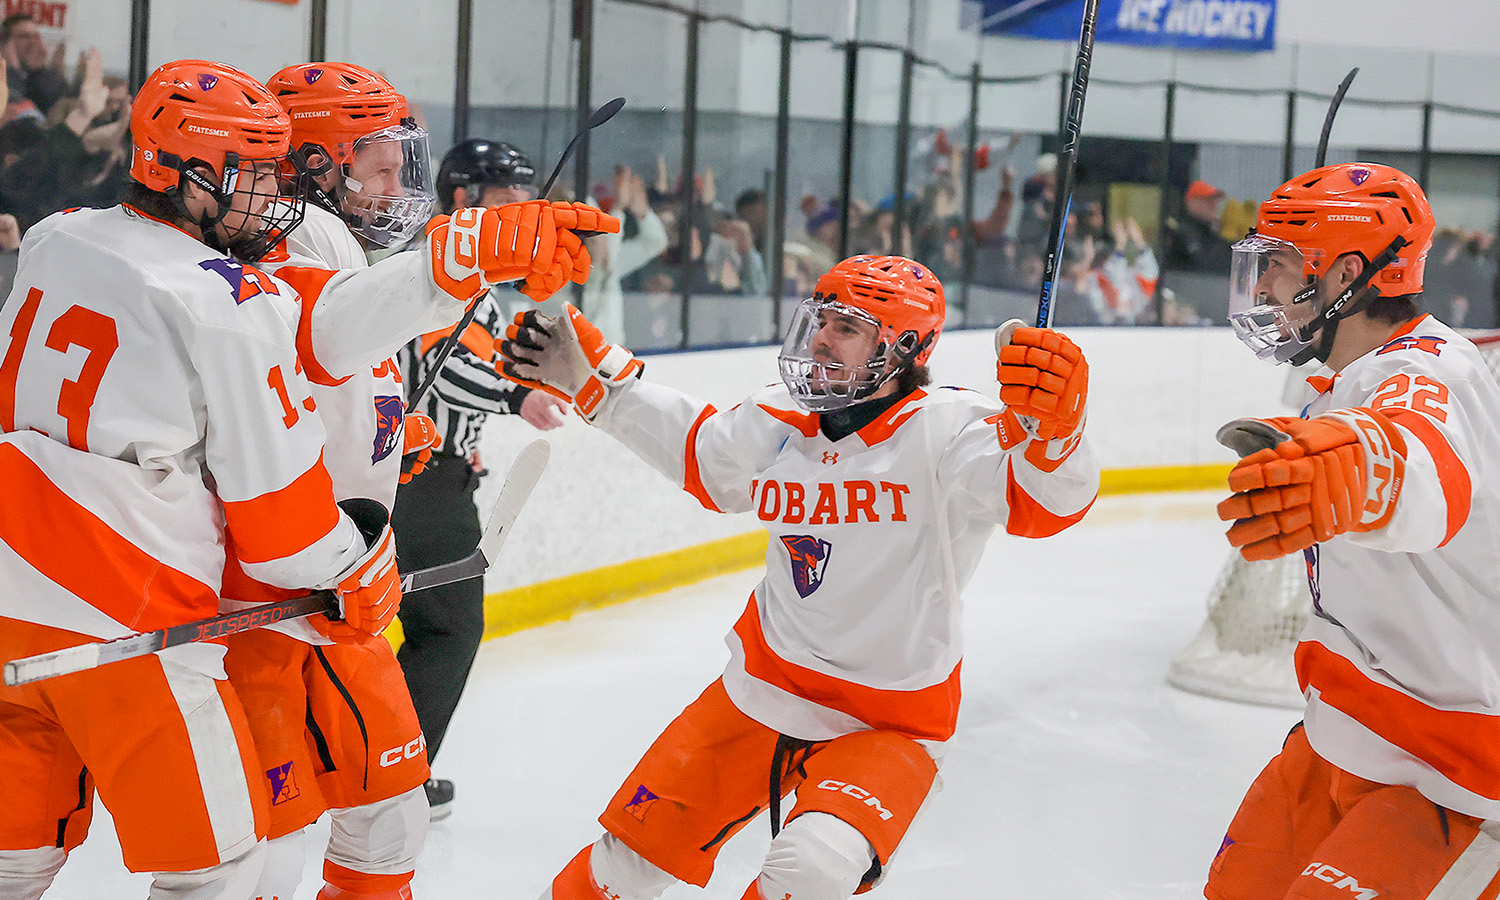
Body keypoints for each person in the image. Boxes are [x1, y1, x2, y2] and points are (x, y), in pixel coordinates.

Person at [498, 253, 1100, 900]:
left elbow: (1042, 505)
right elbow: (702, 456)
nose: (820, 337)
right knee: (620, 866)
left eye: (846, 327)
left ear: (901, 346)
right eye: (820, 319)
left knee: (810, 872)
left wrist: (1057, 434)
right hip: (763, 685)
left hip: (890, 721)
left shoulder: (952, 431)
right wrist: (597, 386)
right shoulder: (779, 417)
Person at [0, 59, 405, 900]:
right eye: (252, 171)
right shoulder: (230, 299)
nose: (272, 192)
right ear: (188, 177)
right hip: (125, 619)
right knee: (218, 869)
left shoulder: (58, 234)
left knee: (15, 857)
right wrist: (359, 570)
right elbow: (285, 531)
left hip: (9, 596)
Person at [1210, 162, 1500, 898]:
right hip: (1339, 739)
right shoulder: (1347, 384)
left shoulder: (1430, 374)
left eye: (1278, 264)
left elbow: (1424, 469)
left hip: (1452, 777)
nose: (1264, 286)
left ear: (1347, 272)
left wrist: (1362, 473)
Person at [393, 136, 585, 820]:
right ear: (465, 198)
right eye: (508, 200)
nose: (524, 213)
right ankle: (392, 780)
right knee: (447, 629)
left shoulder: (467, 275)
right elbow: (438, 361)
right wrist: (514, 396)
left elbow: (479, 358)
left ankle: (369, 769)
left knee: (412, 629)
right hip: (419, 486)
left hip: (431, 478)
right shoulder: (438, 269)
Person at [1163, 179, 1233, 274]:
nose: (1214, 205)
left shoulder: (1210, 235)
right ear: (1191, 203)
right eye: (1208, 200)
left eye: (1215, 201)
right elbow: (1203, 263)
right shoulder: (1182, 235)